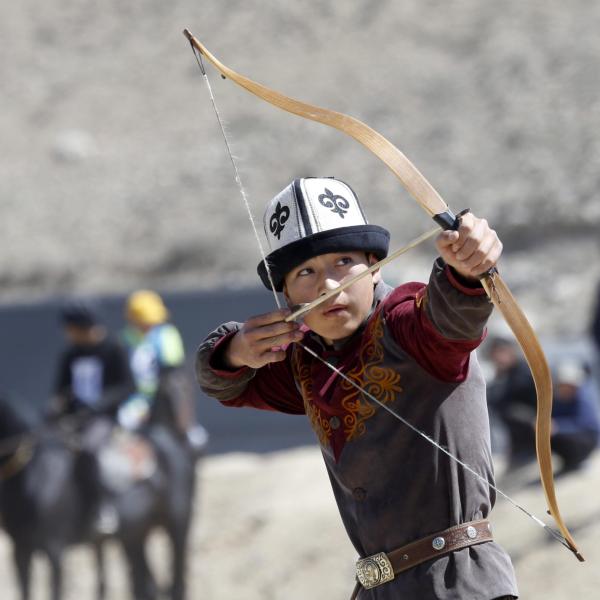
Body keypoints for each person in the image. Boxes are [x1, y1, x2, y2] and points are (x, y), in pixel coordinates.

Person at [196, 177, 518, 599]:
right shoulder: (304, 360)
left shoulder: (408, 324)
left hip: (461, 584)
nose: (328, 286)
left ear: (375, 264)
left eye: (343, 262)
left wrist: (468, 268)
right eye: (305, 273)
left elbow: (452, 317)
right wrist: (236, 351)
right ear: (289, 298)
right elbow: (224, 384)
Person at [50, 298, 135, 534]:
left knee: (89, 449)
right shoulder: (70, 355)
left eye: (70, 328)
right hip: (74, 418)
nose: (67, 334)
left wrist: (98, 405)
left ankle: (103, 507)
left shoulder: (113, 348)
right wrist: (57, 407)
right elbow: (61, 388)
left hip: (103, 419)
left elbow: (127, 386)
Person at [121, 290, 208, 454]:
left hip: (164, 395)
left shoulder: (166, 335)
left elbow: (172, 369)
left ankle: (188, 429)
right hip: (135, 398)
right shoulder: (125, 339)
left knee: (177, 386)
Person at [485, 336, 538, 467]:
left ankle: (530, 448)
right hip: (521, 416)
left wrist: (501, 378)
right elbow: (494, 399)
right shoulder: (506, 373)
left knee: (510, 411)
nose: (499, 358)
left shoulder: (524, 369)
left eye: (501, 353)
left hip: (536, 417)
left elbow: (518, 390)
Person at [551, 359, 600, 474]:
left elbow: (585, 424)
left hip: (587, 439)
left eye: (568, 385)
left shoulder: (583, 399)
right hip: (565, 435)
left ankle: (580, 460)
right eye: (562, 385)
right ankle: (568, 461)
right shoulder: (557, 399)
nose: (565, 388)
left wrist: (558, 427)